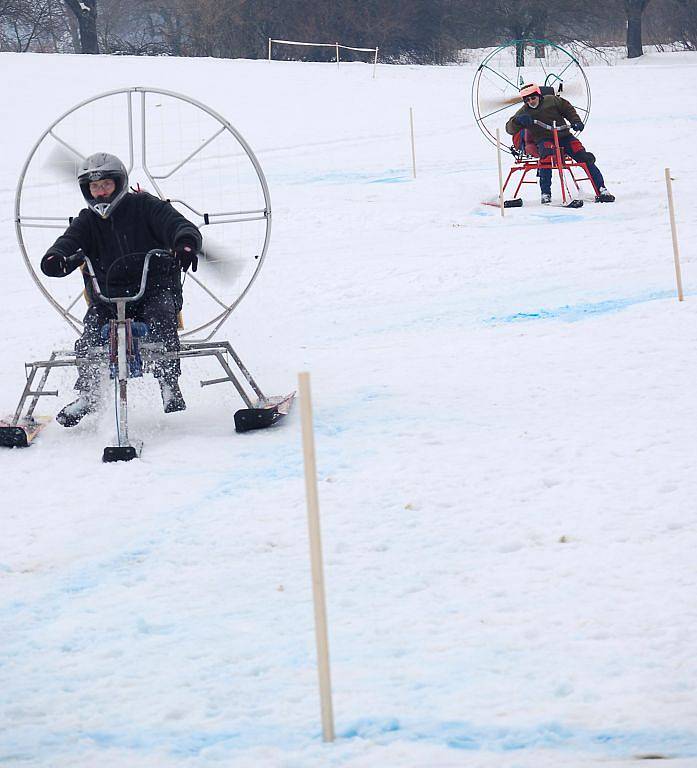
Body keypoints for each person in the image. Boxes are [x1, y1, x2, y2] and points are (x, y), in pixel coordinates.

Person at [40, 152, 202, 427]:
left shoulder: (145, 206)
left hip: (153, 289)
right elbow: (69, 241)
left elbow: (179, 225)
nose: (101, 193)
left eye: (106, 185)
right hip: (109, 298)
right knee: (92, 331)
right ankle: (89, 393)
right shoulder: (87, 221)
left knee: (162, 315)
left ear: (119, 183)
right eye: (94, 187)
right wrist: (56, 257)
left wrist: (185, 243)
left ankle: (168, 380)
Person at [505, 83, 615, 205]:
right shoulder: (524, 111)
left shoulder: (552, 100)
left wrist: (575, 121)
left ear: (539, 96)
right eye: (527, 100)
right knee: (547, 159)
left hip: (564, 136)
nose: (531, 101)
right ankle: (545, 193)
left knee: (584, 157)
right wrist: (518, 121)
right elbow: (509, 128)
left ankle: (601, 190)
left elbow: (567, 108)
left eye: (533, 98)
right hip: (544, 139)